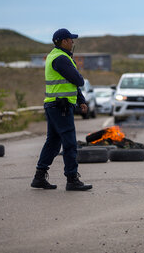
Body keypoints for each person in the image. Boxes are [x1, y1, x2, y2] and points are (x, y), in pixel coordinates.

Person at [31, 28, 92, 191]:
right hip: (60, 106)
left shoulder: (57, 56)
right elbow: (78, 80)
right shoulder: (61, 59)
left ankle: (39, 177)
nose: (72, 42)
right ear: (64, 41)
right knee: (69, 142)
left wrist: (81, 100)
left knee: (53, 142)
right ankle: (72, 179)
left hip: (54, 105)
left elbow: (71, 83)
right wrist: (79, 77)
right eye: (71, 39)